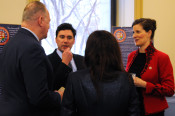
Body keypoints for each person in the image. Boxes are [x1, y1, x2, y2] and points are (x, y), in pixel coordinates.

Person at [0, 1, 64, 116]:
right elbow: (38, 97)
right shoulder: (33, 48)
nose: (49, 27)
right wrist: (58, 96)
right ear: (40, 20)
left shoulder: (9, 45)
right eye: (48, 22)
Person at [60, 30, 140, 116]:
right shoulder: (126, 79)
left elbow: (67, 113)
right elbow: (134, 113)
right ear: (114, 51)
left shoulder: (75, 78)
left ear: (89, 51)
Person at [126, 18, 174, 116]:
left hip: (153, 112)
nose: (134, 36)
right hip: (132, 109)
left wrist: (144, 84)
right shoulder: (131, 56)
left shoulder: (162, 57)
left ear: (149, 33)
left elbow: (169, 89)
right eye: (133, 32)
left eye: (138, 32)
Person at [47, 23, 85, 91]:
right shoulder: (47, 60)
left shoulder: (82, 60)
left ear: (74, 41)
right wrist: (65, 63)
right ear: (56, 40)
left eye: (69, 38)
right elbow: (51, 85)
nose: (65, 41)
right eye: (62, 37)